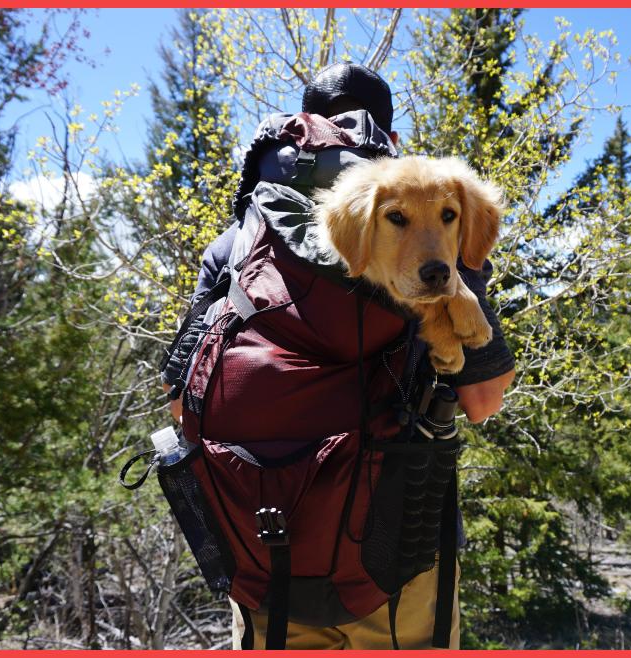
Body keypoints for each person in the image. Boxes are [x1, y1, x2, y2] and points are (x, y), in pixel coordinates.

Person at [161, 62, 515, 649]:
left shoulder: (240, 242)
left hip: (262, 558)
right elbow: (482, 399)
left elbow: (181, 399)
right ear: (391, 143)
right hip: (397, 556)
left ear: (305, 127)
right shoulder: (431, 225)